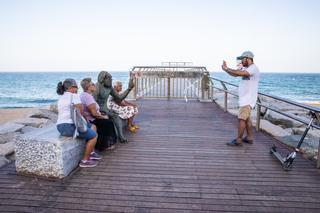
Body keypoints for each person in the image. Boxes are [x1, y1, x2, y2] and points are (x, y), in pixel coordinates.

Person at [56, 78, 101, 168]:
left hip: (60, 127)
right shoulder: (74, 96)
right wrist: (85, 120)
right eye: (76, 87)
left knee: (93, 126)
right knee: (94, 136)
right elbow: (80, 112)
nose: (77, 89)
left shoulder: (61, 98)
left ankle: (91, 152)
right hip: (70, 126)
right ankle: (84, 160)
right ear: (72, 87)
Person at [221, 51, 260, 146]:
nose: (241, 61)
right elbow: (236, 74)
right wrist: (226, 70)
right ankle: (250, 137)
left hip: (247, 99)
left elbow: (239, 73)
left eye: (242, 59)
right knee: (246, 119)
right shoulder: (248, 68)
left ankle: (238, 140)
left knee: (242, 119)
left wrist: (227, 68)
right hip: (245, 98)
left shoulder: (253, 68)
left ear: (248, 58)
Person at [93, 71, 135, 143]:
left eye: (111, 78)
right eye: (109, 79)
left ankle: (121, 137)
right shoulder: (97, 87)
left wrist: (129, 88)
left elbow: (119, 98)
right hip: (98, 110)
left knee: (115, 116)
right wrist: (99, 112)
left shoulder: (109, 88)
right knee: (110, 117)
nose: (111, 80)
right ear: (103, 79)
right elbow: (93, 102)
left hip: (105, 109)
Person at [80, 78, 117, 151]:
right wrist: (103, 117)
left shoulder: (84, 95)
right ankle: (104, 145)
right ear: (88, 87)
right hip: (91, 120)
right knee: (109, 122)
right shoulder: (88, 97)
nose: (94, 85)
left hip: (89, 119)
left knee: (107, 119)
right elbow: (94, 114)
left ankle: (102, 144)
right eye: (93, 84)